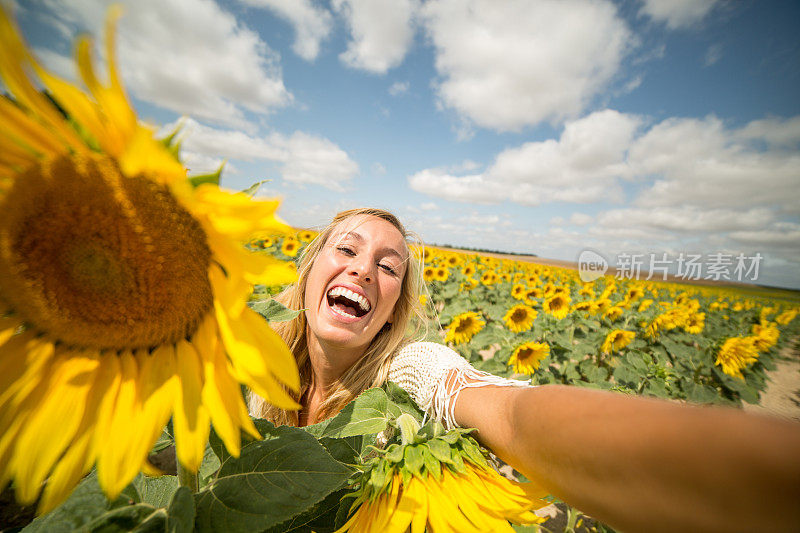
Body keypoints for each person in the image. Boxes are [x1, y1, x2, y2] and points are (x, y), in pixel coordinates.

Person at [249, 207, 800, 533]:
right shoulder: (248, 365)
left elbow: (507, 413)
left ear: (395, 306)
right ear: (311, 263)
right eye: (347, 248)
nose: (364, 269)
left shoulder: (404, 374)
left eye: (387, 267)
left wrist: (734, 469)